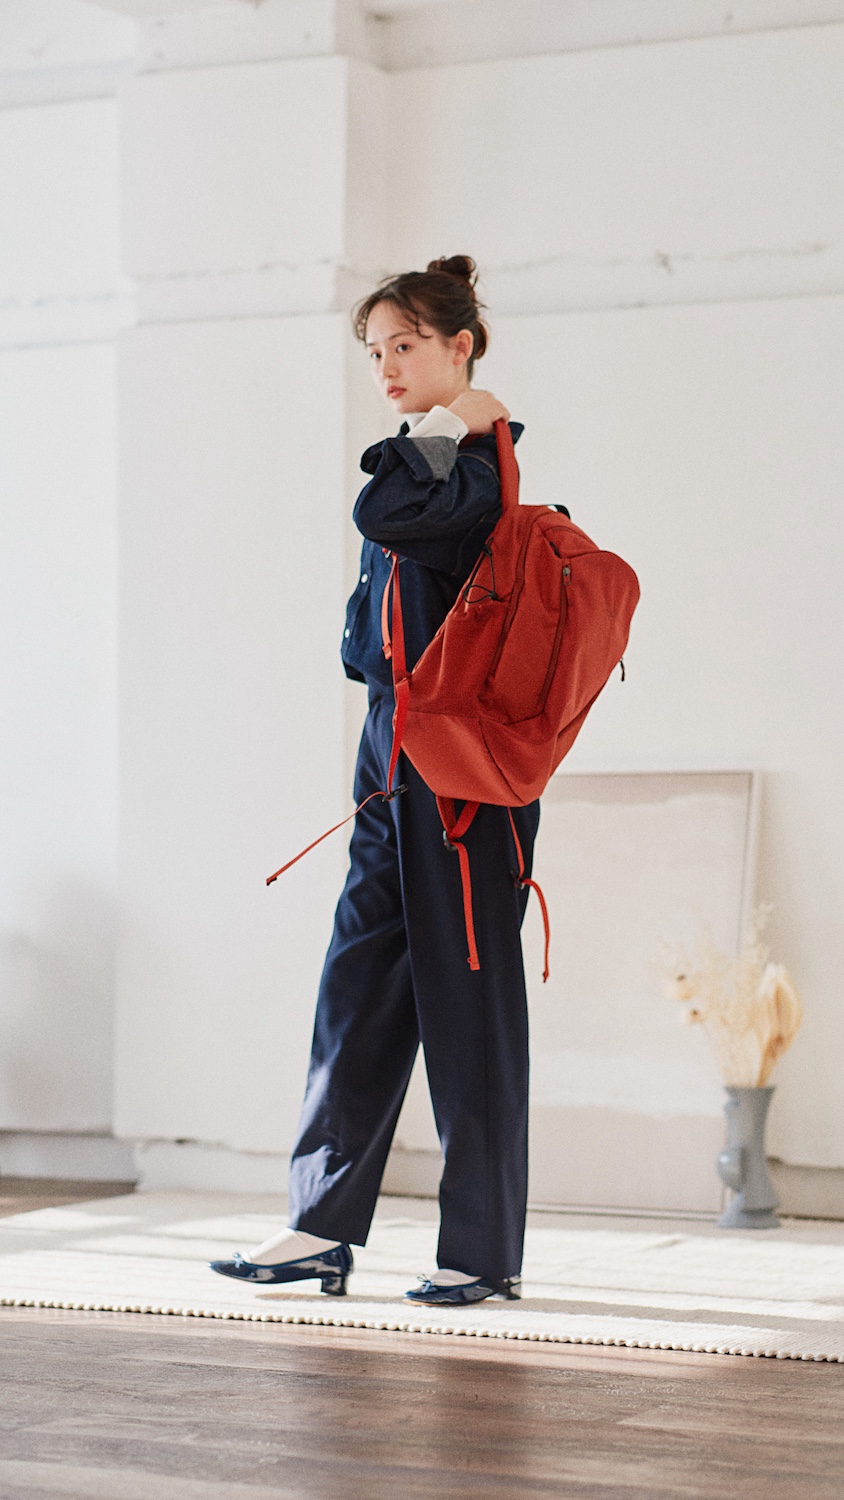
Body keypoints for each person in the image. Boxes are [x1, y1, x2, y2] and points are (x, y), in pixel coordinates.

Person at [210, 256, 540, 1306]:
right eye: (374, 351)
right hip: (389, 750)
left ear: (460, 346)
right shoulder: (434, 458)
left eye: (406, 345)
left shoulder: (470, 470)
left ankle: (481, 1250)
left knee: (467, 995)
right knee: (357, 982)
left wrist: (463, 419)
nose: (386, 367)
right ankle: (319, 1225)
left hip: (461, 768)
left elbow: (383, 514)